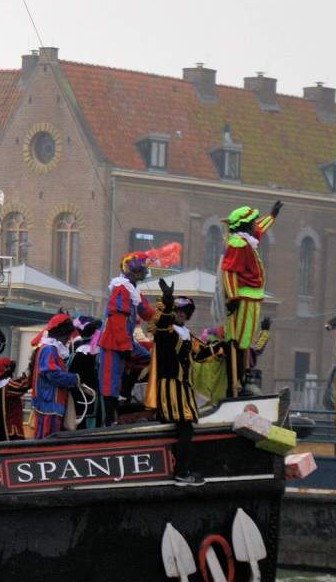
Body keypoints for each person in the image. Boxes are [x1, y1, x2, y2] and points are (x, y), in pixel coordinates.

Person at [147, 279, 213, 485]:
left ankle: (174, 470)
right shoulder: (166, 331)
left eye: (186, 312)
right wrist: (167, 301)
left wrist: (229, 347)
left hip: (184, 387)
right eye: (179, 311)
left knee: (183, 428)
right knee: (184, 428)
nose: (182, 315)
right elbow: (162, 323)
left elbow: (202, 353)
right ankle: (180, 472)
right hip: (170, 385)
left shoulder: (187, 335)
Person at [220, 202, 281, 394]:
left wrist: (272, 215)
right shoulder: (237, 244)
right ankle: (236, 383)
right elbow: (229, 272)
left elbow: (260, 228)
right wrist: (232, 297)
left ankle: (243, 377)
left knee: (246, 339)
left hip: (253, 298)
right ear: (245, 225)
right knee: (238, 340)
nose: (256, 224)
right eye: (252, 221)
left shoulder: (248, 239)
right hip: (243, 297)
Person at [101, 253, 158, 426]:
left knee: (146, 357)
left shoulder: (133, 289)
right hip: (113, 342)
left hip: (125, 340)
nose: (146, 271)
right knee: (110, 380)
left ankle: (125, 391)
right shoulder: (121, 288)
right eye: (143, 268)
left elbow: (146, 313)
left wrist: (166, 311)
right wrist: (125, 345)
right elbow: (117, 318)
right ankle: (109, 419)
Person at [31, 315, 82, 439]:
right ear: (64, 335)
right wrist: (74, 378)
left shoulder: (48, 348)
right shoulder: (49, 349)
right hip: (50, 403)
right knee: (48, 438)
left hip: (51, 402)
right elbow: (52, 375)